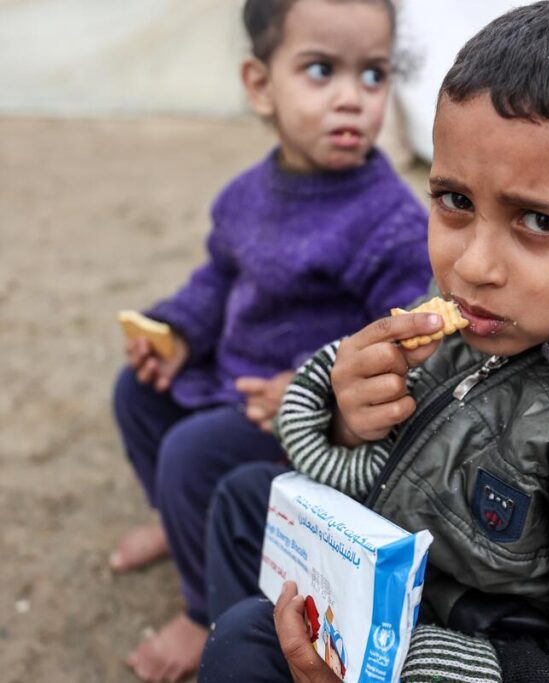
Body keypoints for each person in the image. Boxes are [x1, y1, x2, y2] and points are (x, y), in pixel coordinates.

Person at [199, 1, 549, 681]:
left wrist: (402, 664)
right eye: (455, 202)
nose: (474, 264)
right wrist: (349, 418)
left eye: (539, 220)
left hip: (484, 657)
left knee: (245, 641)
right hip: (421, 575)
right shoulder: (474, 316)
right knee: (243, 496)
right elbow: (394, 469)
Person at [110, 0, 430, 679]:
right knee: (136, 392)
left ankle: (201, 610)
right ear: (261, 85)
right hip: (231, 379)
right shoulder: (246, 196)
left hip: (300, 418)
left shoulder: (390, 221)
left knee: (191, 451)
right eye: (320, 70)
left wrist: (311, 389)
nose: (352, 99)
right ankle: (177, 521)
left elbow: (399, 341)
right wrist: (174, 332)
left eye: (372, 75)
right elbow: (216, 280)